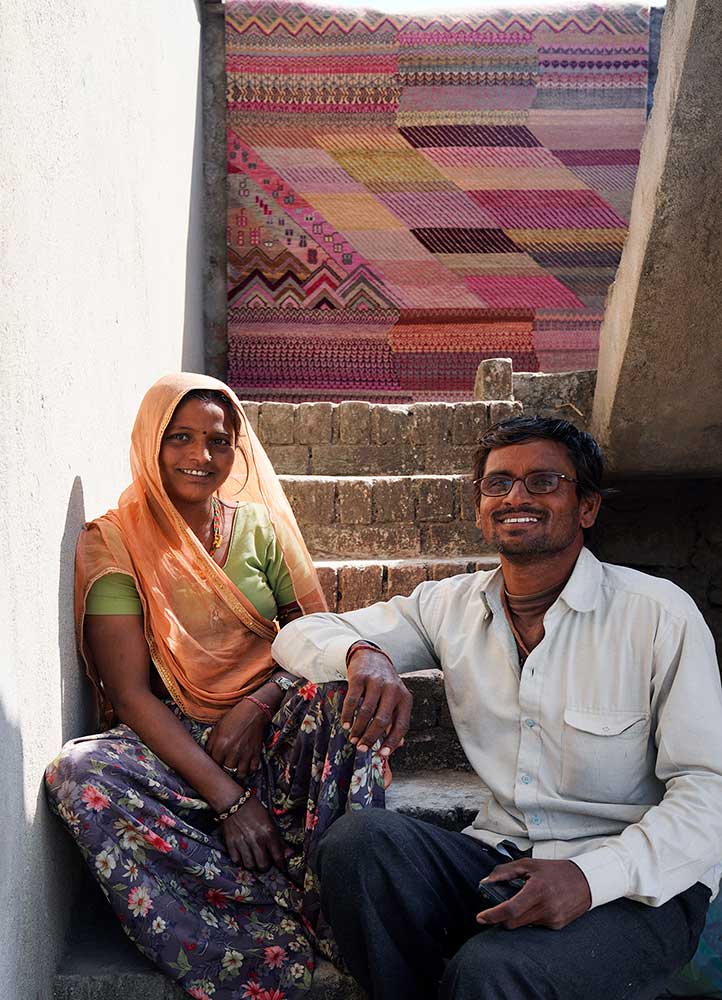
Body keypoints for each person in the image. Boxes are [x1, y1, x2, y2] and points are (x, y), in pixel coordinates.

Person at [272, 415, 722, 1000]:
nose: (516, 496)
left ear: (586, 507)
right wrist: (364, 654)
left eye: (543, 482)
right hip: (501, 858)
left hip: (637, 886)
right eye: (498, 483)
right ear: (481, 507)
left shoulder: (657, 614)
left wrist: (589, 878)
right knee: (359, 845)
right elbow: (299, 635)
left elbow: (709, 791)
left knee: (492, 970)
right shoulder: (449, 606)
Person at [45, 373, 391, 1000]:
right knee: (79, 772)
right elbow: (129, 696)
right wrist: (230, 801)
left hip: (273, 727)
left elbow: (316, 641)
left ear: (238, 450)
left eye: (218, 440)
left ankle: (341, 912)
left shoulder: (260, 528)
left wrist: (259, 704)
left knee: (349, 704)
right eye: (180, 437)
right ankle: (255, 940)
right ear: (150, 442)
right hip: (173, 741)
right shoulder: (115, 541)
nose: (200, 456)